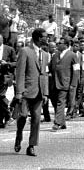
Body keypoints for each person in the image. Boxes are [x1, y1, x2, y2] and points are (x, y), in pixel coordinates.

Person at [14, 28, 49, 157]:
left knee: (36, 119)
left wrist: (45, 93)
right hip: (26, 91)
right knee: (22, 116)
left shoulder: (45, 54)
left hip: (39, 92)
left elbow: (44, 74)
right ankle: (19, 135)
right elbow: (20, 73)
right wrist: (19, 92)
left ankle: (31, 146)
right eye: (46, 36)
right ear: (39, 38)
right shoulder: (25, 51)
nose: (48, 38)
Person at [50, 37, 79, 131]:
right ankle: (62, 122)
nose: (58, 44)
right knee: (55, 102)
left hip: (65, 83)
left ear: (66, 45)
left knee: (60, 102)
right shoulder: (55, 55)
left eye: (60, 43)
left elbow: (76, 70)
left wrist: (73, 84)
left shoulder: (73, 55)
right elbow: (50, 67)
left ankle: (57, 122)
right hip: (54, 82)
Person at [0, 34, 17, 128]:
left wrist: (7, 64)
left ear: (2, 40)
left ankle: (6, 115)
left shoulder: (9, 49)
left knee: (1, 96)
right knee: (1, 98)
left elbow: (16, 63)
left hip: (6, 76)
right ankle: (5, 116)